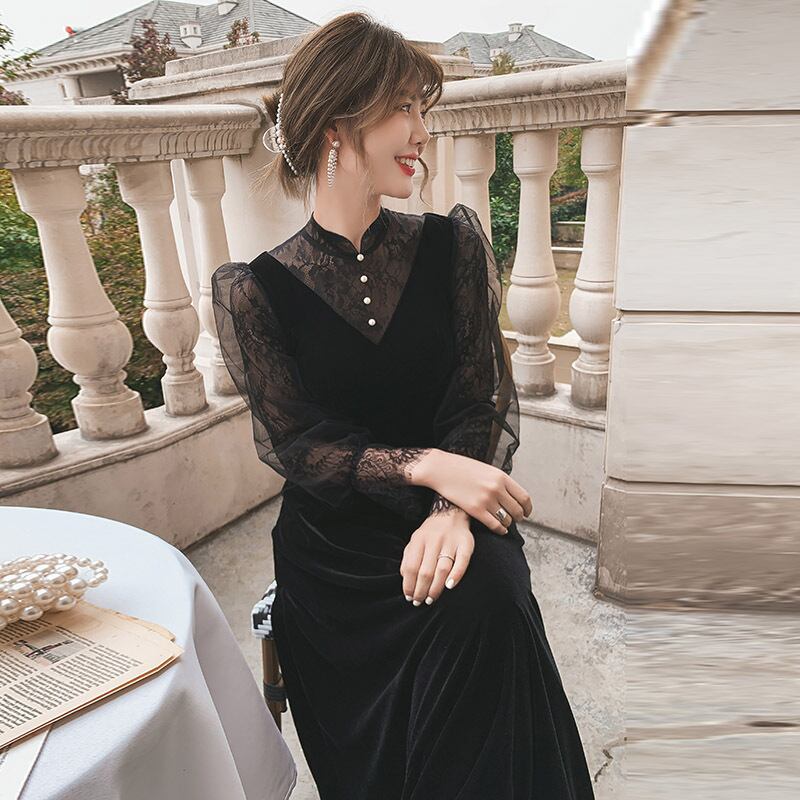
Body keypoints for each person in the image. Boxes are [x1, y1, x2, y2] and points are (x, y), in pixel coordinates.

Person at [211, 12, 596, 799]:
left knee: (487, 601)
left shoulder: (452, 246)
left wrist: (452, 509)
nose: (422, 130)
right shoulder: (256, 291)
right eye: (403, 108)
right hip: (333, 551)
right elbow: (300, 446)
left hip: (449, 517)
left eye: (423, 107)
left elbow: (477, 397)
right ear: (337, 122)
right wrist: (429, 467)